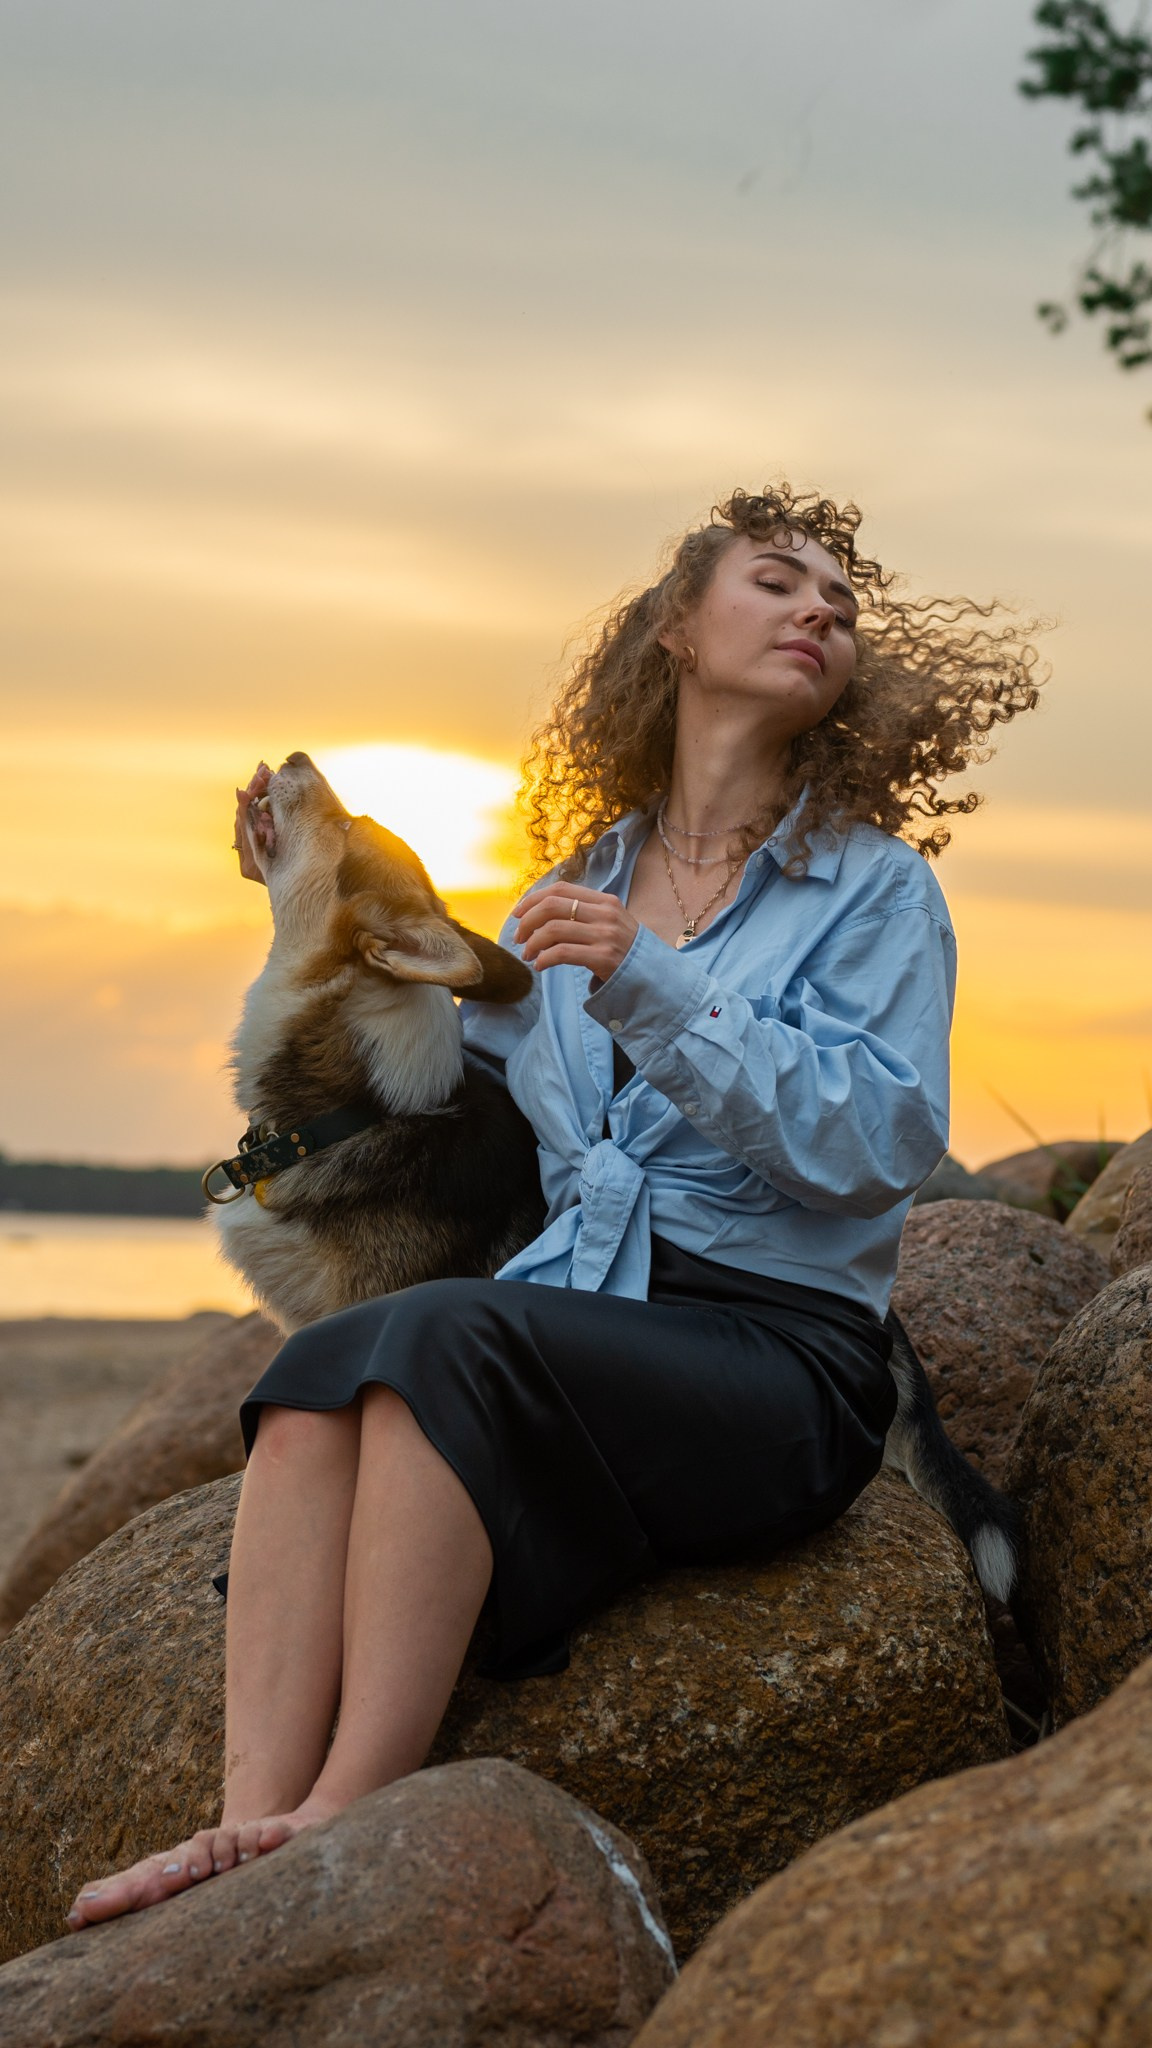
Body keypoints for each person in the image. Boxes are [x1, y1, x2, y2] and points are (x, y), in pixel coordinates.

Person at [67, 484, 1039, 1929]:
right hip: (596, 1336)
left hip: (777, 1365)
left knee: (449, 1340)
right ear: (674, 634)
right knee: (321, 1363)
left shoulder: (874, 894)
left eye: (839, 603)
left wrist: (654, 980)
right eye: (778, 583)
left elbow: (879, 1142)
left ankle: (346, 1815)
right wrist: (294, 887)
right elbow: (424, 1050)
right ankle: (244, 1822)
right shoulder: (575, 885)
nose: (821, 611)